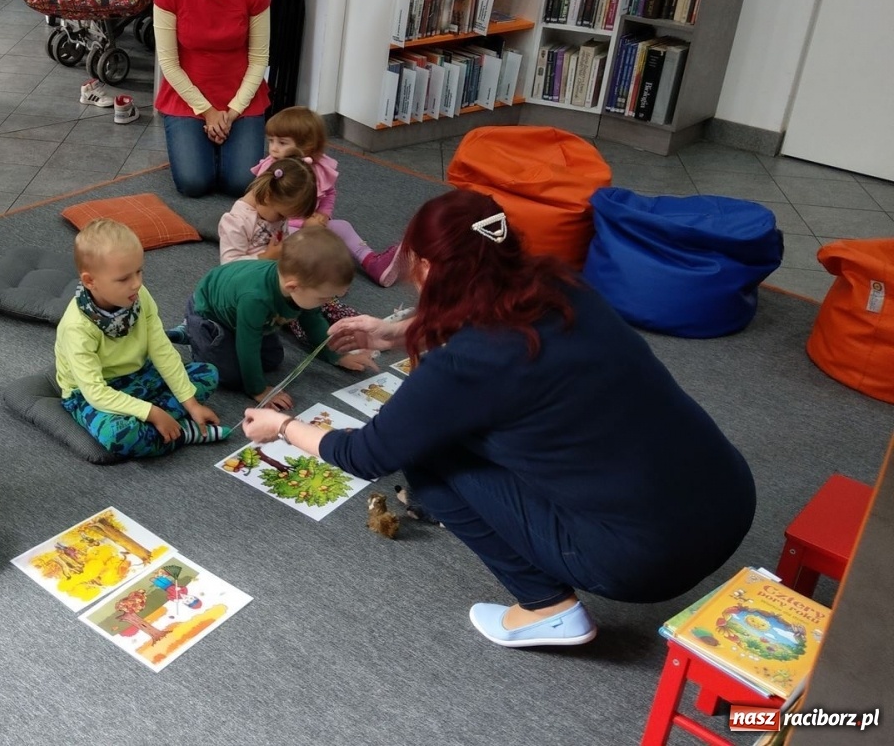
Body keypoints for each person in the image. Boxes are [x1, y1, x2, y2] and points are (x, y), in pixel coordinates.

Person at [242, 190, 756, 648]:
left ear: (424, 268)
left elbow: (367, 453)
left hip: (645, 561)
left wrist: (282, 428)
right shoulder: (563, 287)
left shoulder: (467, 361)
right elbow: (492, 317)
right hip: (730, 498)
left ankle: (547, 609)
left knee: (427, 458)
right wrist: (398, 332)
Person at [55, 220, 226, 459]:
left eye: (139, 271)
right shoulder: (77, 327)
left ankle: (161, 427)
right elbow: (95, 392)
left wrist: (191, 404)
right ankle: (182, 432)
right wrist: (153, 413)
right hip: (92, 394)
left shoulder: (139, 296)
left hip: (139, 375)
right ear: (90, 281)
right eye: (123, 278)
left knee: (208, 373)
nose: (136, 283)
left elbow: (161, 351)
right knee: (119, 436)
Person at [155, 0, 272, 198]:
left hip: (240, 99)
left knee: (240, 185)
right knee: (194, 184)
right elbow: (169, 62)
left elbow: (259, 58)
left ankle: (221, 141)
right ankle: (211, 142)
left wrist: (230, 113)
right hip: (188, 97)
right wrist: (208, 113)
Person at [182, 227, 373, 407]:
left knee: (273, 359)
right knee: (230, 376)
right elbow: (248, 345)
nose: (328, 302)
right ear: (293, 287)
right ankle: (193, 335)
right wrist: (258, 390)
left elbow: (313, 321)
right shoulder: (256, 299)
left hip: (245, 315)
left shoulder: (298, 287)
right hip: (208, 313)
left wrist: (336, 355)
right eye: (323, 297)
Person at [249, 107, 402, 286]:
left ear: (307, 146)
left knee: (343, 227)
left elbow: (329, 192)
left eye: (282, 143)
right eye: (271, 141)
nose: (273, 148)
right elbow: (267, 208)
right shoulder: (276, 171)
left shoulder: (319, 167)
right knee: (310, 246)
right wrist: (304, 223)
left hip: (312, 222)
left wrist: (324, 213)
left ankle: (372, 262)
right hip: (279, 229)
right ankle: (314, 281)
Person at [218, 158, 317, 263]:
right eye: (281, 215)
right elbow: (228, 265)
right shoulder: (236, 222)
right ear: (267, 196)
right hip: (250, 274)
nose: (284, 220)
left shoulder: (275, 209)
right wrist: (266, 257)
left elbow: (282, 236)